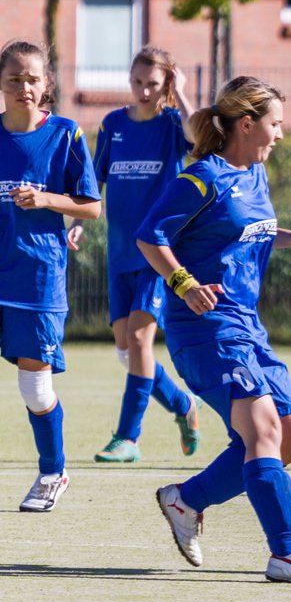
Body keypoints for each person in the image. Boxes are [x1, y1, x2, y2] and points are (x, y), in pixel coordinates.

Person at [136, 76, 291, 584]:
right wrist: (184, 283)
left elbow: (248, 231)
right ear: (247, 124)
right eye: (275, 124)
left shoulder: (255, 174)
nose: (280, 134)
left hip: (249, 329)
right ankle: (289, 553)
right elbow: (151, 235)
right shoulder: (201, 178)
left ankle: (186, 501)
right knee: (263, 432)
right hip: (205, 329)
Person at [68, 46, 201, 464]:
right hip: (119, 251)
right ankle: (182, 404)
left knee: (142, 340)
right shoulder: (112, 124)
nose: (144, 91)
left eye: (154, 84)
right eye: (138, 82)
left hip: (156, 252)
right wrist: (78, 221)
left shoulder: (172, 124)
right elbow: (96, 179)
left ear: (165, 86)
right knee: (127, 351)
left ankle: (127, 438)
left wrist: (181, 91)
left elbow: (199, 138)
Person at [0, 39, 102, 511]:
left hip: (36, 279)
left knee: (35, 388)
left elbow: (92, 207)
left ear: (46, 85)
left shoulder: (65, 134)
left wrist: (45, 200)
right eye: (14, 78)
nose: (24, 86)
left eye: (32, 79)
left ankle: (53, 472)